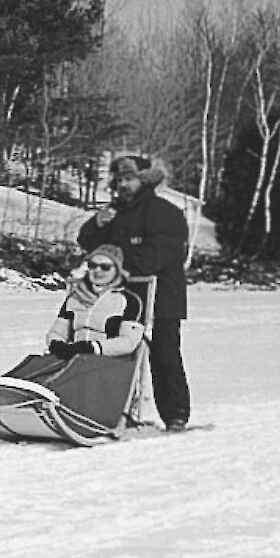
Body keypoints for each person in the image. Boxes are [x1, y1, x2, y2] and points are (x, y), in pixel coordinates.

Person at [78, 152, 191, 430]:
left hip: (160, 294)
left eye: (130, 179)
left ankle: (175, 413)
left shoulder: (165, 213)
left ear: (144, 181)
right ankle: (114, 408)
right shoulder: (114, 213)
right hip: (121, 298)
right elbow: (88, 243)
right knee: (114, 350)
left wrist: (119, 264)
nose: (124, 185)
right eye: (120, 180)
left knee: (163, 353)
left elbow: (158, 254)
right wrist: (97, 225)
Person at [43, 244, 145, 360]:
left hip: (110, 362)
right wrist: (57, 345)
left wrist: (93, 348)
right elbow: (57, 331)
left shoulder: (128, 300)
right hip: (74, 359)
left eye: (105, 267)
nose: (97, 270)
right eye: (93, 265)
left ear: (117, 270)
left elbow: (129, 342)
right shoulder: (75, 297)